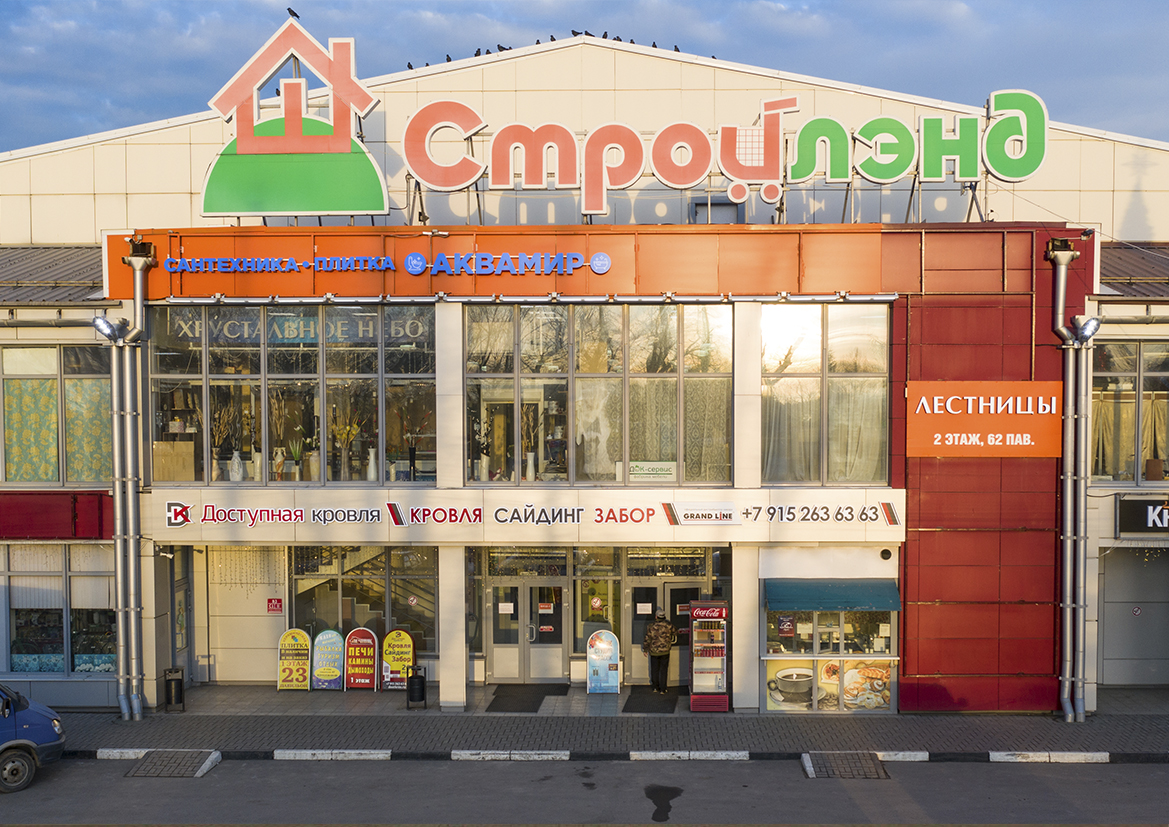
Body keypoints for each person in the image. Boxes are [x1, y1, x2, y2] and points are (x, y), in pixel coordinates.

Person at [641, 608, 677, 693]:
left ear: (656, 616)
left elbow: (647, 638)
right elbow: (675, 632)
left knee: (655, 669)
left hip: (654, 651)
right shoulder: (668, 625)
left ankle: (655, 687)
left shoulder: (651, 626)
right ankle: (663, 688)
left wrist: (645, 649)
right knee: (663, 670)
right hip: (665, 651)